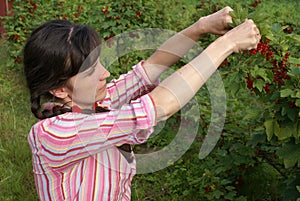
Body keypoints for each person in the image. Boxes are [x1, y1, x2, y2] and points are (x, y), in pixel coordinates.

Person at [24, 6, 260, 201]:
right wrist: (225, 45)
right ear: (58, 89)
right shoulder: (53, 135)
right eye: (90, 72)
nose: (105, 74)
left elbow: (150, 68)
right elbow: (159, 106)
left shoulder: (97, 102)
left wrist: (201, 27)